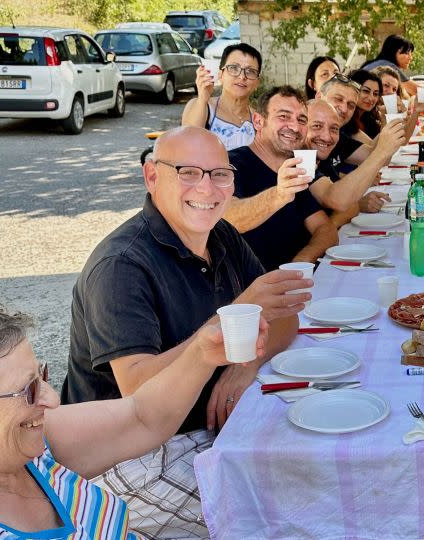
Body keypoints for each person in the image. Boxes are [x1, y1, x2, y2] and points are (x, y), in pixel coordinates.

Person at [60, 127, 309, 537]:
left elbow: (286, 318)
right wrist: (224, 327)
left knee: (320, 459)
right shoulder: (121, 267)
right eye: (189, 172)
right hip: (130, 457)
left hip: (208, 428)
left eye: (220, 174)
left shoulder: (221, 234)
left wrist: (243, 367)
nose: (207, 189)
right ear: (152, 177)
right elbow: (140, 395)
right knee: (286, 508)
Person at [0, 304, 268, 540]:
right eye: (28, 391)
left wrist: (202, 355)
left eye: (42, 377)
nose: (52, 400)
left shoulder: (36, 446)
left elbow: (143, 416)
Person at [225, 86, 339, 269]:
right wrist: (279, 194)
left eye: (301, 120)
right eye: (283, 116)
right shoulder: (229, 164)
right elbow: (228, 220)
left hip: (297, 281)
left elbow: (325, 228)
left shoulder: (293, 166)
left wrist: (303, 259)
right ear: (258, 121)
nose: (294, 127)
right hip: (256, 289)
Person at [305, 99, 406, 226]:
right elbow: (338, 201)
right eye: (317, 126)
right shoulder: (299, 159)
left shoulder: (319, 155)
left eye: (334, 129)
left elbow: (337, 199)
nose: (326, 136)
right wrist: (381, 151)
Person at [181, 43, 262, 151]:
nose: (242, 76)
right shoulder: (203, 106)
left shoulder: (258, 120)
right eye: (234, 68)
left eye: (250, 71)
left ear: (257, 83)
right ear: (221, 75)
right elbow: (187, 144)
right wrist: (203, 98)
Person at [347, 69, 383, 139]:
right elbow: (376, 146)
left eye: (375, 94)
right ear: (353, 90)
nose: (371, 98)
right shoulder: (347, 120)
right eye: (366, 91)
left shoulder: (368, 119)